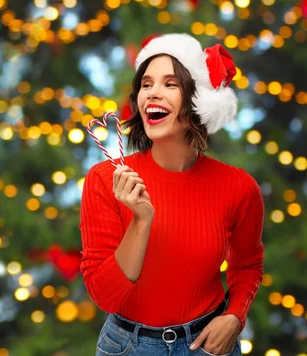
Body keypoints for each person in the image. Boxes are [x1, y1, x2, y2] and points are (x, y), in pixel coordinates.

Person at [79, 33, 265, 356]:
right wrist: (141, 220)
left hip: (208, 345)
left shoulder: (239, 187)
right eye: (146, 84)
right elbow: (106, 297)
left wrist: (235, 316)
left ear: (196, 99)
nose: (153, 93)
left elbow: (247, 265)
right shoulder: (104, 180)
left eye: (170, 84)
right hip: (128, 347)